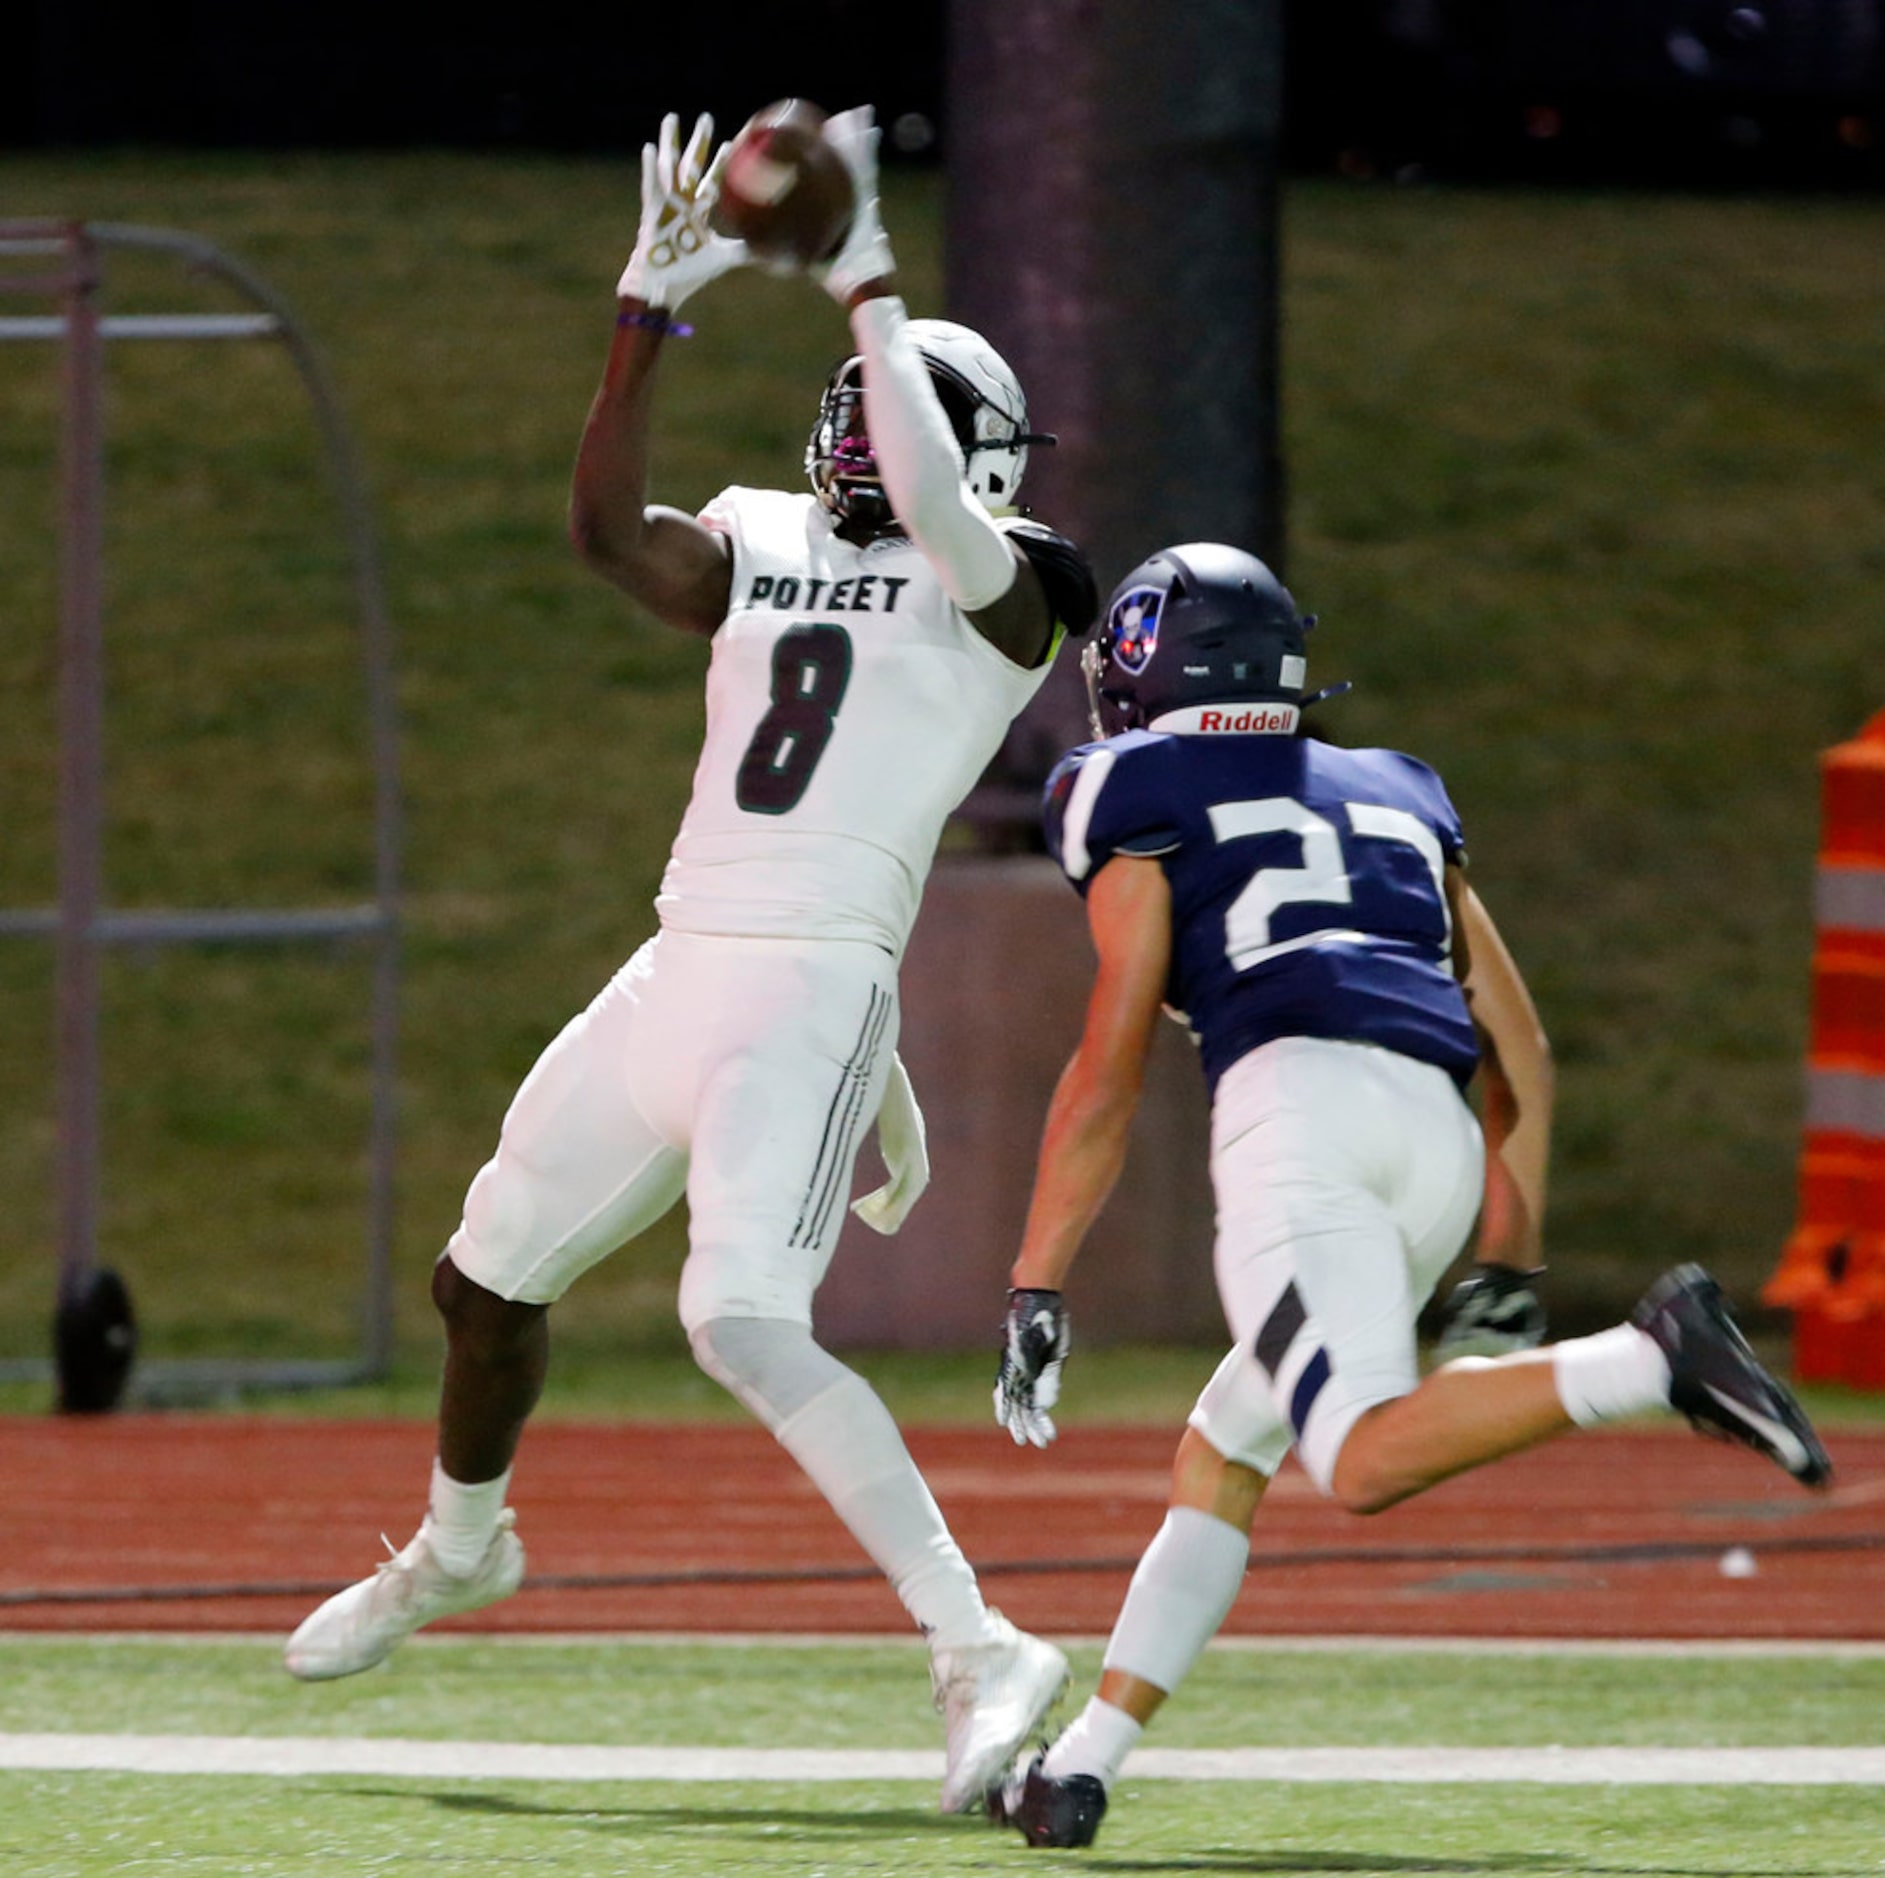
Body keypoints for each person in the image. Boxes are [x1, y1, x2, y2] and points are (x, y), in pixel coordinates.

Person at [283, 108, 1098, 1816]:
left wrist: (867, 273)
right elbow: (603, 533)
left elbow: (947, 518)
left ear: (980, 457)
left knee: (736, 1318)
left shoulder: (1008, 589)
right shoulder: (768, 538)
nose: (850, 437)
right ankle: (458, 1546)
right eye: (849, 407)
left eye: (884, 416)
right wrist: (644, 313)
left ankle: (978, 1642)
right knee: (484, 1278)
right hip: (679, 962)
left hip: (805, 989)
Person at [983, 542, 1832, 1848]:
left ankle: (1647, 1358)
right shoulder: (1395, 787)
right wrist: (1506, 1250)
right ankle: (1082, 1763)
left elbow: (1109, 1063)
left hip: (1299, 1122)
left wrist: (1038, 1276)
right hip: (1433, 1134)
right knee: (1226, 1448)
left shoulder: (1122, 785)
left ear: (1156, 662)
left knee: (1362, 1457)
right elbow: (1521, 1047)